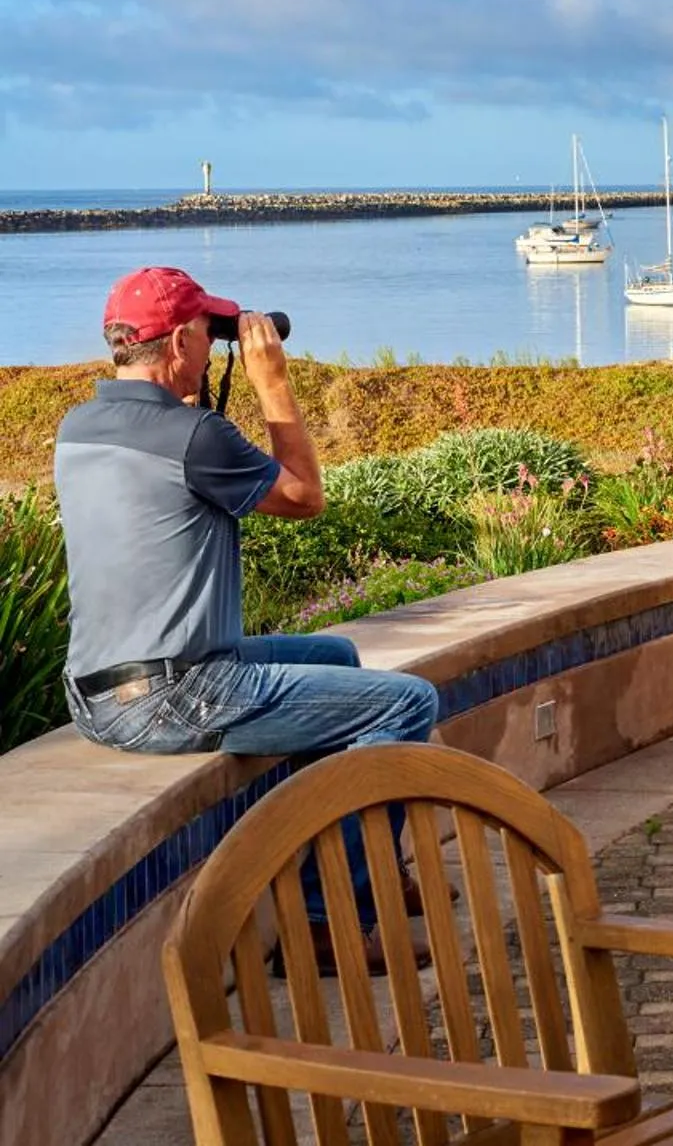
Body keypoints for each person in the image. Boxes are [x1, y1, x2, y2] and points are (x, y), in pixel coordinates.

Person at [55, 267, 439, 972]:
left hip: (97, 693)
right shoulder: (194, 436)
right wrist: (270, 383)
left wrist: (197, 388)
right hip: (172, 697)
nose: (215, 346)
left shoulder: (78, 426)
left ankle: (366, 871)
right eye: (209, 333)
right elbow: (303, 496)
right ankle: (329, 924)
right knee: (409, 702)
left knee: (338, 658)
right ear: (175, 342)